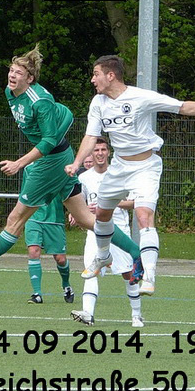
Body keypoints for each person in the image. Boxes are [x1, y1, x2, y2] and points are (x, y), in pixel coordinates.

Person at [0, 44, 138, 284]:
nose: (12, 75)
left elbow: (49, 139)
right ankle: (136, 252)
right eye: (11, 70)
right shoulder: (10, 93)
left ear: (30, 79)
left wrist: (20, 163)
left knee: (15, 220)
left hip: (51, 162)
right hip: (59, 158)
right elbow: (64, 116)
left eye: (18, 73)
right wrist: (53, 138)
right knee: (87, 219)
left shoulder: (40, 101)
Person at [65, 55, 195, 295]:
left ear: (110, 75)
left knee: (144, 215)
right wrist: (76, 163)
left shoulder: (140, 97)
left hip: (146, 166)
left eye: (96, 74)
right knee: (102, 214)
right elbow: (91, 136)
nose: (92, 80)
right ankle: (104, 256)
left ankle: (149, 276)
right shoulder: (98, 102)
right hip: (119, 166)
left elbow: (181, 106)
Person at [71, 138, 143, 327]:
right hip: (94, 231)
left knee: (127, 273)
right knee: (90, 270)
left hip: (118, 230)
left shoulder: (119, 175)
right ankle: (88, 313)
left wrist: (109, 204)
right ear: (91, 154)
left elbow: (135, 202)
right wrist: (76, 213)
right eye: (96, 150)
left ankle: (136, 315)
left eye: (103, 149)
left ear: (108, 152)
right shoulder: (84, 178)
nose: (100, 153)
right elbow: (79, 202)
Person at [23, 193, 73, 304]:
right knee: (33, 251)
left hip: (55, 220)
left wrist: (74, 212)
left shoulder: (63, 180)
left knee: (60, 259)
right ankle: (37, 294)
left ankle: (66, 285)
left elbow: (70, 193)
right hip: (33, 217)